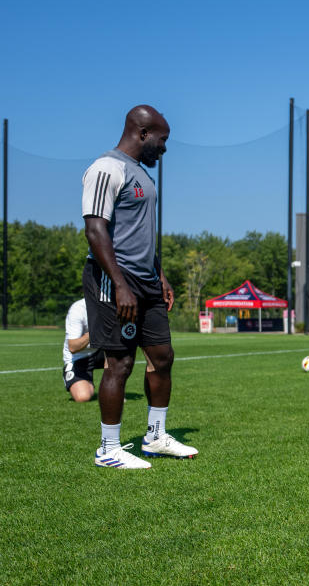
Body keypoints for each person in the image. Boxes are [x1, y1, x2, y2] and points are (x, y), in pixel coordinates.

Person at [82, 104, 197, 469]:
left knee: (162, 357)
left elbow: (141, 235)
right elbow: (95, 230)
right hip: (116, 280)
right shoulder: (106, 168)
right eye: (162, 141)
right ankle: (109, 449)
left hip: (147, 281)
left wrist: (159, 275)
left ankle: (155, 437)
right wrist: (120, 285)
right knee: (120, 363)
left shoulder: (143, 175)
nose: (163, 149)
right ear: (143, 133)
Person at [62, 298, 102, 402]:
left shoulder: (111, 306)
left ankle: (112, 389)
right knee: (83, 397)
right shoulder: (78, 309)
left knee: (122, 352)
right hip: (78, 357)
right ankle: (85, 383)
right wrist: (94, 330)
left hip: (100, 351)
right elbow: (73, 347)